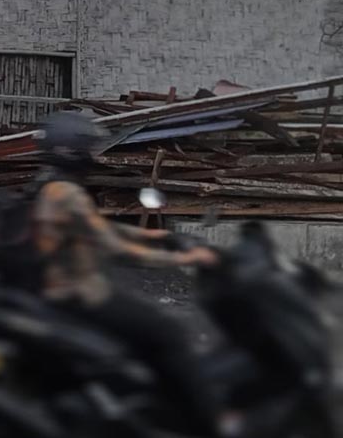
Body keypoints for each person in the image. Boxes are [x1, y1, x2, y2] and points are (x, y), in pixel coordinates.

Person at [30, 111, 239, 437]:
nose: (94, 156)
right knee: (168, 331)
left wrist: (160, 236)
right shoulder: (65, 194)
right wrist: (186, 256)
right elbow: (116, 247)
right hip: (79, 296)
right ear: (72, 150)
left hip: (60, 292)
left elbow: (99, 230)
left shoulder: (49, 186)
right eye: (90, 148)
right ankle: (207, 423)